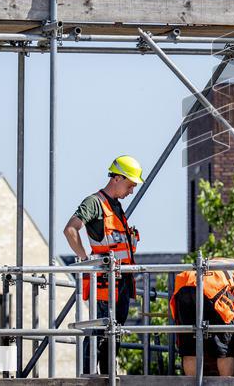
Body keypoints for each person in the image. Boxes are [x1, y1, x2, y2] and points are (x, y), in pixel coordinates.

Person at [63, 155, 144, 375]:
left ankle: (109, 377)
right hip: (104, 284)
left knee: (114, 335)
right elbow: (70, 229)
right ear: (117, 178)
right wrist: (85, 260)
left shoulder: (116, 207)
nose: (131, 191)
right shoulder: (95, 203)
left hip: (122, 282)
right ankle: (89, 378)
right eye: (130, 185)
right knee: (98, 334)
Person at [169, 258, 234, 377]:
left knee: (190, 347)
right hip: (214, 286)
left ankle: (191, 382)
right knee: (225, 348)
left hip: (184, 284)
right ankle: (225, 383)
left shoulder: (227, 263)